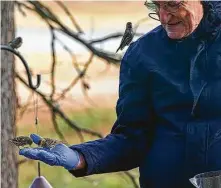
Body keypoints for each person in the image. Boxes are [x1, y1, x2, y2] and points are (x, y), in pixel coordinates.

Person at [19, 1, 221, 187]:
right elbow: (131, 139)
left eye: (172, 5)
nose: (164, 17)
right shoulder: (143, 55)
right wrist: (80, 157)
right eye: (156, 5)